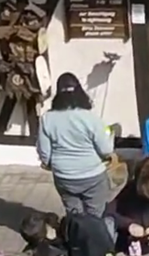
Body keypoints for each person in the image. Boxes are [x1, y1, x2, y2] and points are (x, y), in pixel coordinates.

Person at [37, 72, 114, 217]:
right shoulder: (90, 117)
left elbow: (44, 153)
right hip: (93, 175)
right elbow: (106, 150)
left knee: (74, 214)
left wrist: (48, 163)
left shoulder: (47, 118)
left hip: (63, 176)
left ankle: (76, 236)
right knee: (96, 215)